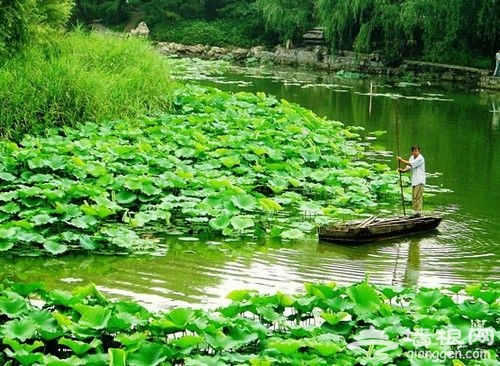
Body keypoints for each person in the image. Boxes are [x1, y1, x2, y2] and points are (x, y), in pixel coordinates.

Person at [397, 146, 425, 217]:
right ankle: (415, 212)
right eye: (414, 151)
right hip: (414, 181)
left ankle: (418, 213)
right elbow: (408, 167)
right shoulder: (412, 157)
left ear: (419, 151)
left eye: (417, 151)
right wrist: (402, 171)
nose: (416, 152)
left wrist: (401, 160)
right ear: (412, 152)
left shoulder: (420, 158)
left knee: (418, 197)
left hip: (420, 180)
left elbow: (411, 164)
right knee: (413, 198)